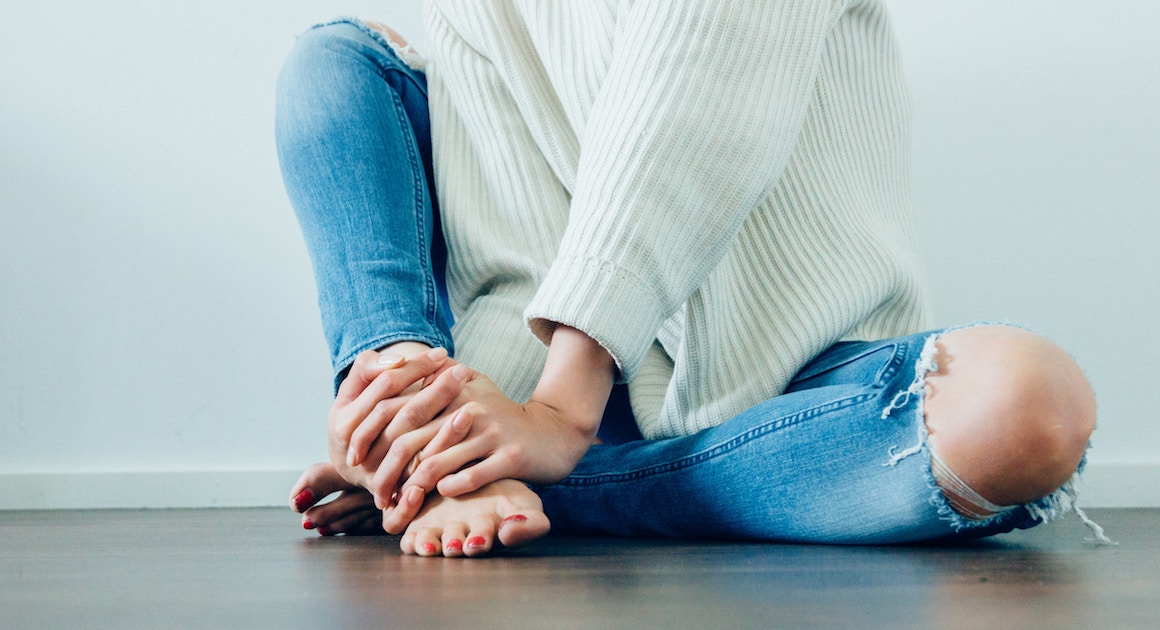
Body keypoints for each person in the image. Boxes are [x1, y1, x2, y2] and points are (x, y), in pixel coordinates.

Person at [275, 2, 1105, 558]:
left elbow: (687, 111)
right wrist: (460, 427)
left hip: (801, 379)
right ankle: (401, 432)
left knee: (1029, 404)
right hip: (575, 389)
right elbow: (515, 243)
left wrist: (559, 414)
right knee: (336, 64)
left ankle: (553, 491)